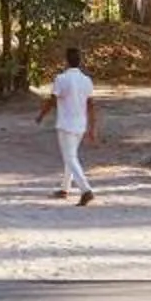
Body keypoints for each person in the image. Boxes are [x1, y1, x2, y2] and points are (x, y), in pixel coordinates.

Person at [35, 46, 99, 205]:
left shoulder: (61, 79)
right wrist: (92, 127)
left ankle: (86, 190)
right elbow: (91, 105)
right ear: (80, 61)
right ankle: (65, 188)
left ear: (66, 61)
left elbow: (52, 100)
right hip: (80, 124)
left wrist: (41, 115)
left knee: (70, 158)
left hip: (66, 123)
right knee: (71, 156)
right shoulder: (86, 80)